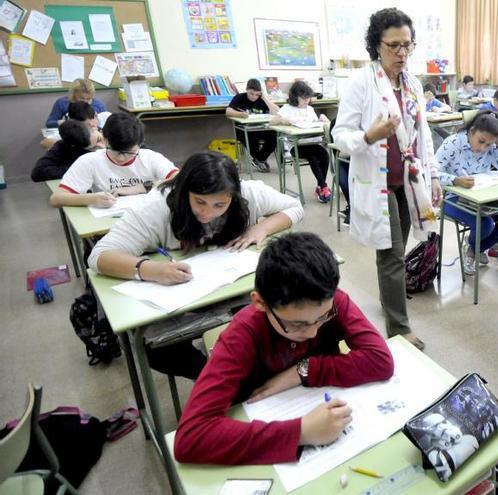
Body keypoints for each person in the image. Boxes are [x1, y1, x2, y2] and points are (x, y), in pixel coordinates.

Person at [173, 232, 393, 465]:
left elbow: (380, 360)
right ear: (260, 303)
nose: (311, 332)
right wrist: (300, 433)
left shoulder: (334, 301)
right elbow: (191, 438)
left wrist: (302, 371)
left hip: (316, 410)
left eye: (322, 318)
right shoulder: (243, 333)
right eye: (296, 324)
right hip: (258, 420)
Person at [87, 151, 304, 379]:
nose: (208, 213)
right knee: (159, 348)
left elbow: (295, 207)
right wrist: (150, 269)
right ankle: (218, 380)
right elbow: (99, 256)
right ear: (184, 191)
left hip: (230, 288)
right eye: (199, 202)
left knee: (276, 312)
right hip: (179, 299)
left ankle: (251, 372)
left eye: (220, 205)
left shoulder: (248, 193)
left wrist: (261, 228)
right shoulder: (156, 208)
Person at [332, 7, 442, 351]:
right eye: (393, 45)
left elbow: (422, 134)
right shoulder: (361, 83)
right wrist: (369, 135)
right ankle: (399, 327)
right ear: (376, 45)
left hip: (409, 183)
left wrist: (433, 174)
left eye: (407, 45)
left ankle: (391, 305)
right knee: (392, 256)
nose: (401, 53)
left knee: (395, 252)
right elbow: (339, 135)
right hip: (377, 184)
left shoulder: (411, 84)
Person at [436, 110, 498, 275]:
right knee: (485, 224)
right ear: (471, 131)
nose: (483, 148)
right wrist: (455, 180)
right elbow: (431, 172)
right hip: (452, 199)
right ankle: (474, 249)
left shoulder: (491, 145)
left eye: (489, 144)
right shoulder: (453, 143)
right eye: (481, 141)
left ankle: (473, 248)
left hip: (481, 197)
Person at [49, 112, 178, 208]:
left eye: (130, 152)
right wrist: (90, 198)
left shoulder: (150, 157)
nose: (121, 157)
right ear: (104, 139)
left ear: (140, 144)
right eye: (115, 150)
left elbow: (181, 179)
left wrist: (142, 187)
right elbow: (56, 199)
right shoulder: (89, 161)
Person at [274, 80, 332, 202]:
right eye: (303, 98)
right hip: (296, 146)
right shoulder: (287, 108)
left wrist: (323, 120)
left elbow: (315, 125)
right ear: (295, 97)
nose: (307, 101)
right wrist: (282, 120)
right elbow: (272, 121)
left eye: (308, 98)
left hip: (311, 142)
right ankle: (323, 187)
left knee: (325, 155)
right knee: (312, 157)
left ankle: (320, 186)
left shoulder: (310, 109)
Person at [226, 78, 279, 172]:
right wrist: (241, 114)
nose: (254, 96)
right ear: (246, 89)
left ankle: (259, 159)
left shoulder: (262, 99)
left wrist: (264, 98)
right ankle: (259, 160)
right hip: (243, 129)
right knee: (251, 137)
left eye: (257, 94)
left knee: (274, 135)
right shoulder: (240, 97)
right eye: (251, 93)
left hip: (261, 127)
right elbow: (228, 111)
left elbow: (277, 111)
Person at [31, 120, 101, 182]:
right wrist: (75, 168)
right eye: (93, 148)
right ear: (73, 146)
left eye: (99, 139)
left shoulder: (109, 135)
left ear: (94, 127)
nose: (101, 146)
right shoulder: (64, 147)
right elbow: (38, 172)